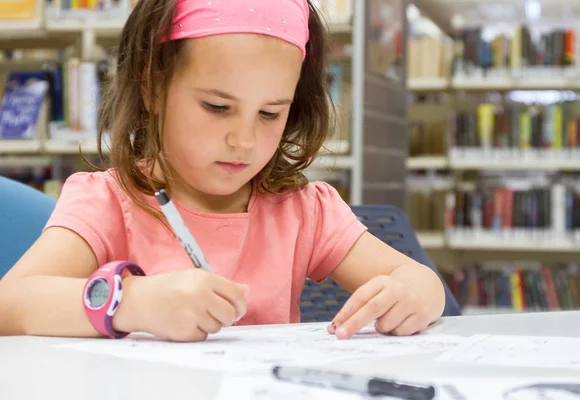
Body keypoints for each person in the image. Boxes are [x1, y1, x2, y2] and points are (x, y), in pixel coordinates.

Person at [0, 0, 445, 342]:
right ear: (152, 88)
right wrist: (129, 303)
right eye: (217, 107)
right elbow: (9, 305)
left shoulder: (304, 210)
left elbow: (421, 281)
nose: (244, 141)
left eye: (270, 113)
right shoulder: (108, 202)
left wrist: (414, 295)